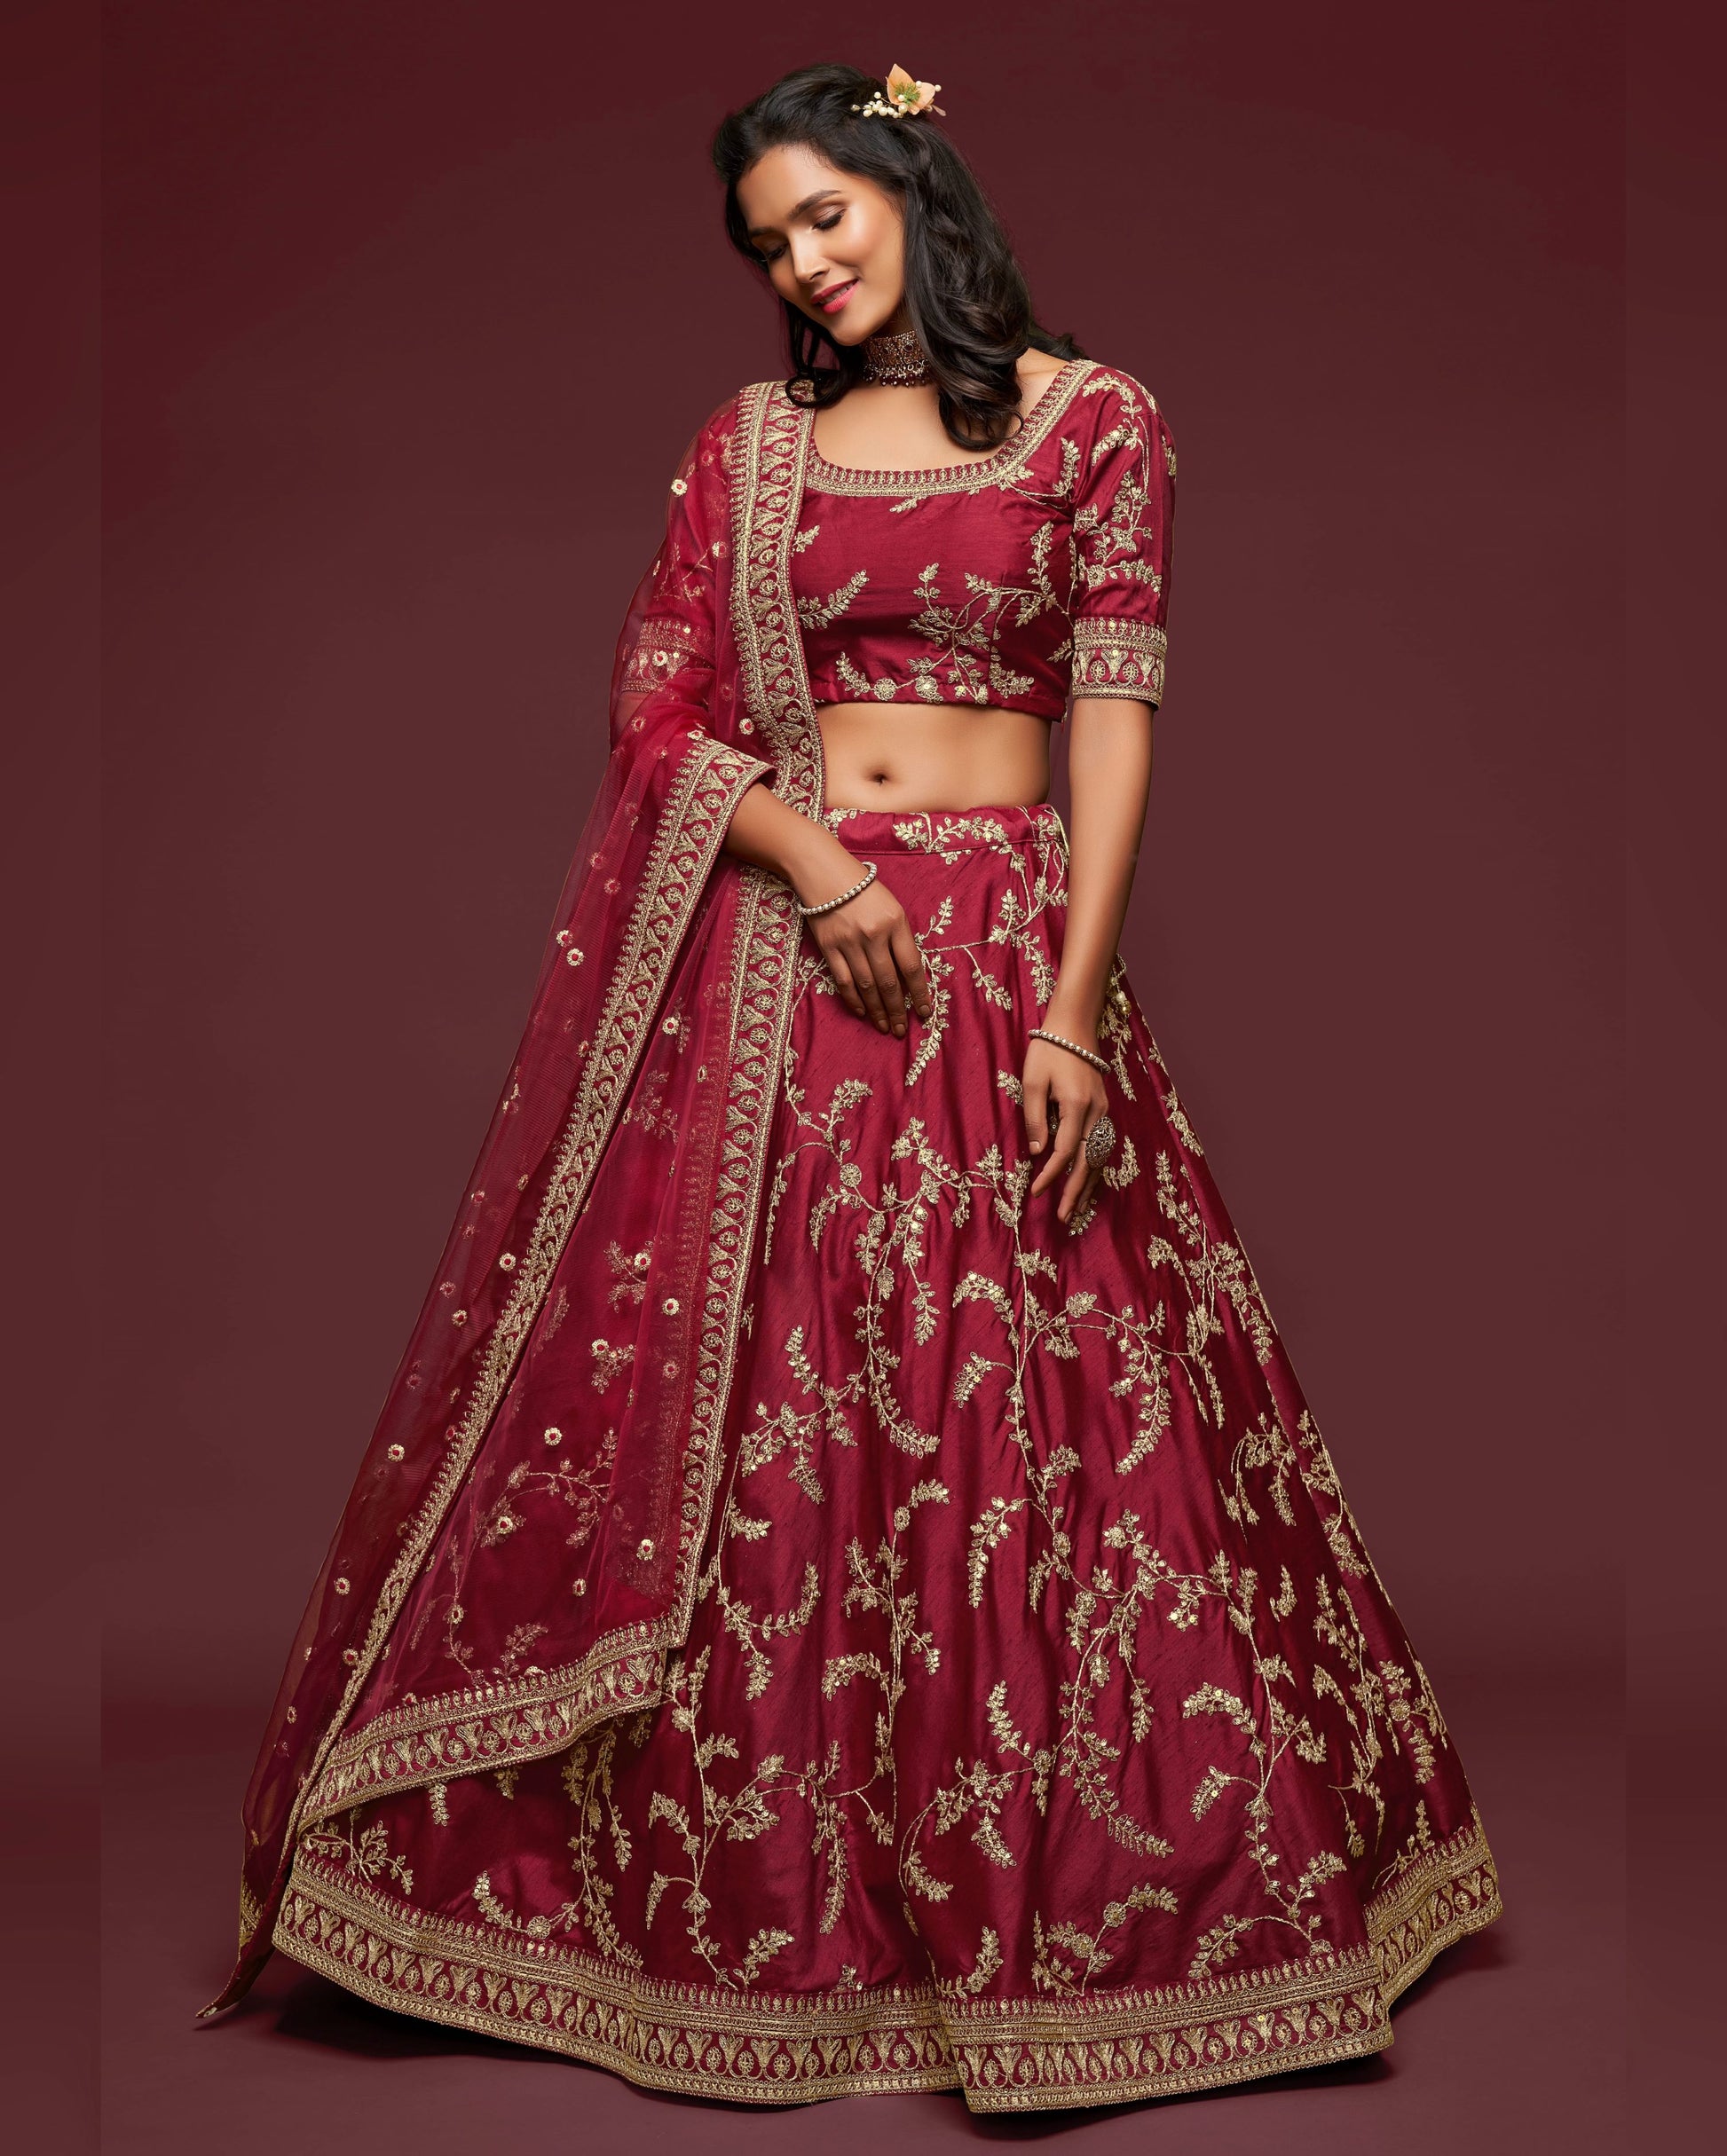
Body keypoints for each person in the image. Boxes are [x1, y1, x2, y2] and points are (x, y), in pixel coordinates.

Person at [201, 61, 1501, 2113]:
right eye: (765, 246)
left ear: (911, 183)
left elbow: (1113, 720)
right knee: (797, 1409)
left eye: (823, 216)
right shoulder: (753, 447)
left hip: (1004, 963)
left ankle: (1061, 1898)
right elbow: (654, 695)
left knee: (1042, 1408)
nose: (800, 268)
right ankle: (800, 1900)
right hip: (800, 972)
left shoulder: (1096, 419)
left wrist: (1074, 1013)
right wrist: (809, 868)